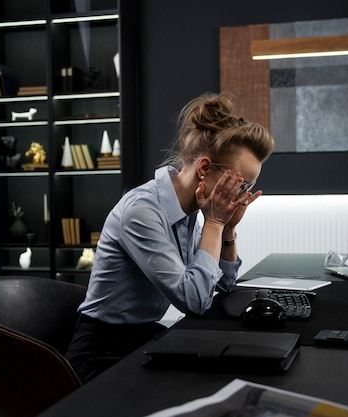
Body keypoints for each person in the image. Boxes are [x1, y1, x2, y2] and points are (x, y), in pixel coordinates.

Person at [65, 92, 275, 383]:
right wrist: (214, 223)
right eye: (240, 185)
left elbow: (224, 286)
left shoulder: (188, 211)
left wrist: (227, 231)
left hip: (139, 336)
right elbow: (195, 299)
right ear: (204, 169)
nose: (241, 196)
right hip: (101, 351)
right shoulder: (141, 211)